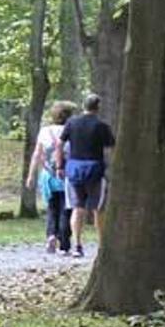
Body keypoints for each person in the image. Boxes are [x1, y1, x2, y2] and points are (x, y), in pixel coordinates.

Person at [55, 93, 115, 258]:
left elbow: (59, 144)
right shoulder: (101, 126)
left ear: (84, 106)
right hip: (95, 171)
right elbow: (110, 148)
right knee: (98, 209)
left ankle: (77, 245)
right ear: (98, 107)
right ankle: (102, 246)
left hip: (74, 170)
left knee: (77, 208)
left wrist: (59, 165)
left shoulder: (72, 123)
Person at [26, 101, 77, 255]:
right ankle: (64, 243)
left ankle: (51, 236)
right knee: (65, 209)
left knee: (51, 208)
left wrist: (30, 175)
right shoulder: (72, 131)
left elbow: (37, 154)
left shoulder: (44, 131)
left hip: (47, 176)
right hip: (66, 176)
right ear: (68, 116)